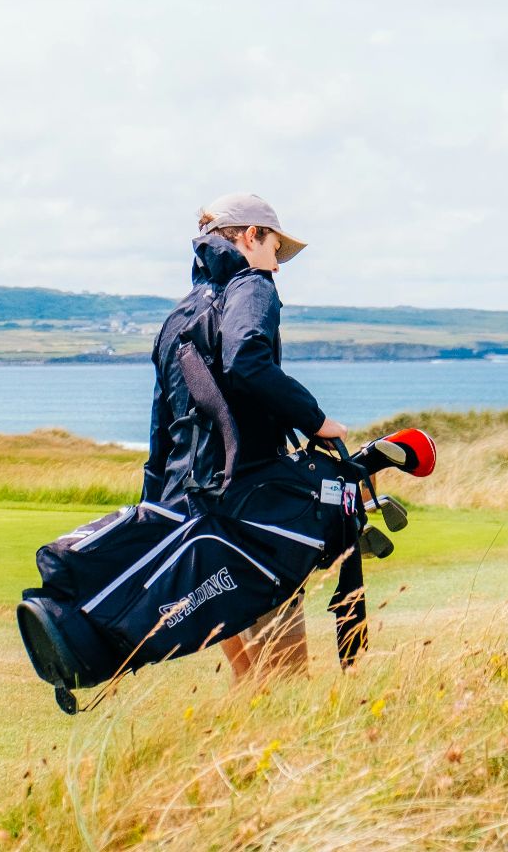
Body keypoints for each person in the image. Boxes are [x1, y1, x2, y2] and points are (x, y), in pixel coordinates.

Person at [140, 192, 346, 680]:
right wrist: (316, 420)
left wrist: (155, 509)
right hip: (246, 505)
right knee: (285, 675)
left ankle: (237, 751)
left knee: (248, 674)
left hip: (189, 510)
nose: (277, 264)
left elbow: (162, 426)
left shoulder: (179, 315)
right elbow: (246, 361)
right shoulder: (253, 287)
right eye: (276, 248)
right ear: (251, 236)